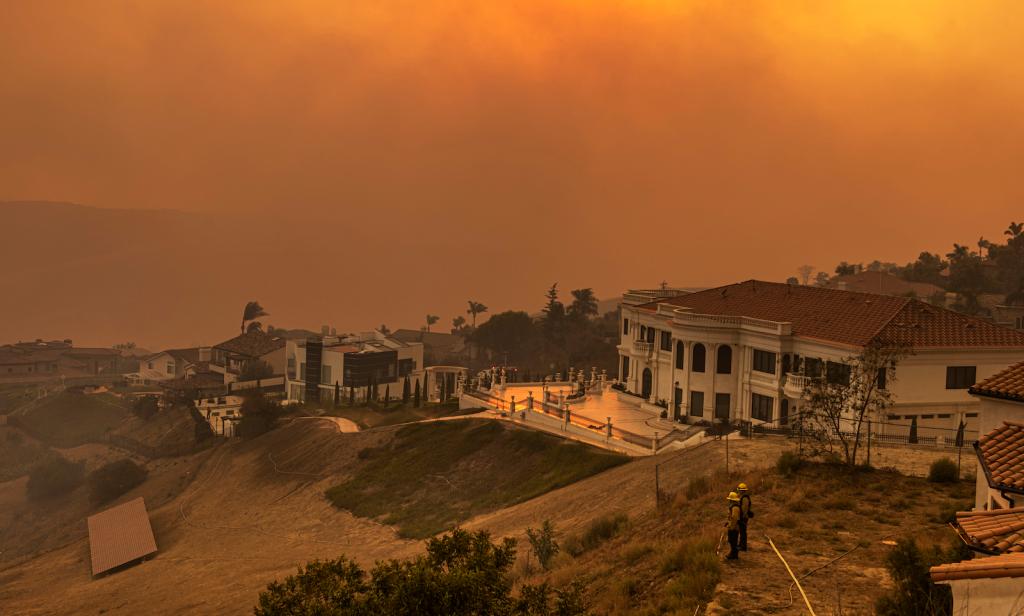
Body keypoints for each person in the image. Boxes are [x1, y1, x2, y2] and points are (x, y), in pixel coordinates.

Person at [725, 491, 742, 560]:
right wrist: (728, 523)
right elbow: (731, 517)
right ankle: (734, 554)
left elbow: (734, 518)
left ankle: (733, 554)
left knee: (733, 541)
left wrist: (731, 527)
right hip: (733, 526)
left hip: (734, 527)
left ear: (732, 500)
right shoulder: (733, 507)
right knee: (731, 541)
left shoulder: (735, 508)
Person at [737, 482, 754, 551]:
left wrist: (742, 517)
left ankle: (743, 546)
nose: (739, 491)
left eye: (739, 490)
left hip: (743, 518)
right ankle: (741, 544)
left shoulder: (744, 498)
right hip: (743, 517)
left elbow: (744, 509)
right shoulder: (743, 497)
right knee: (741, 531)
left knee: (743, 532)